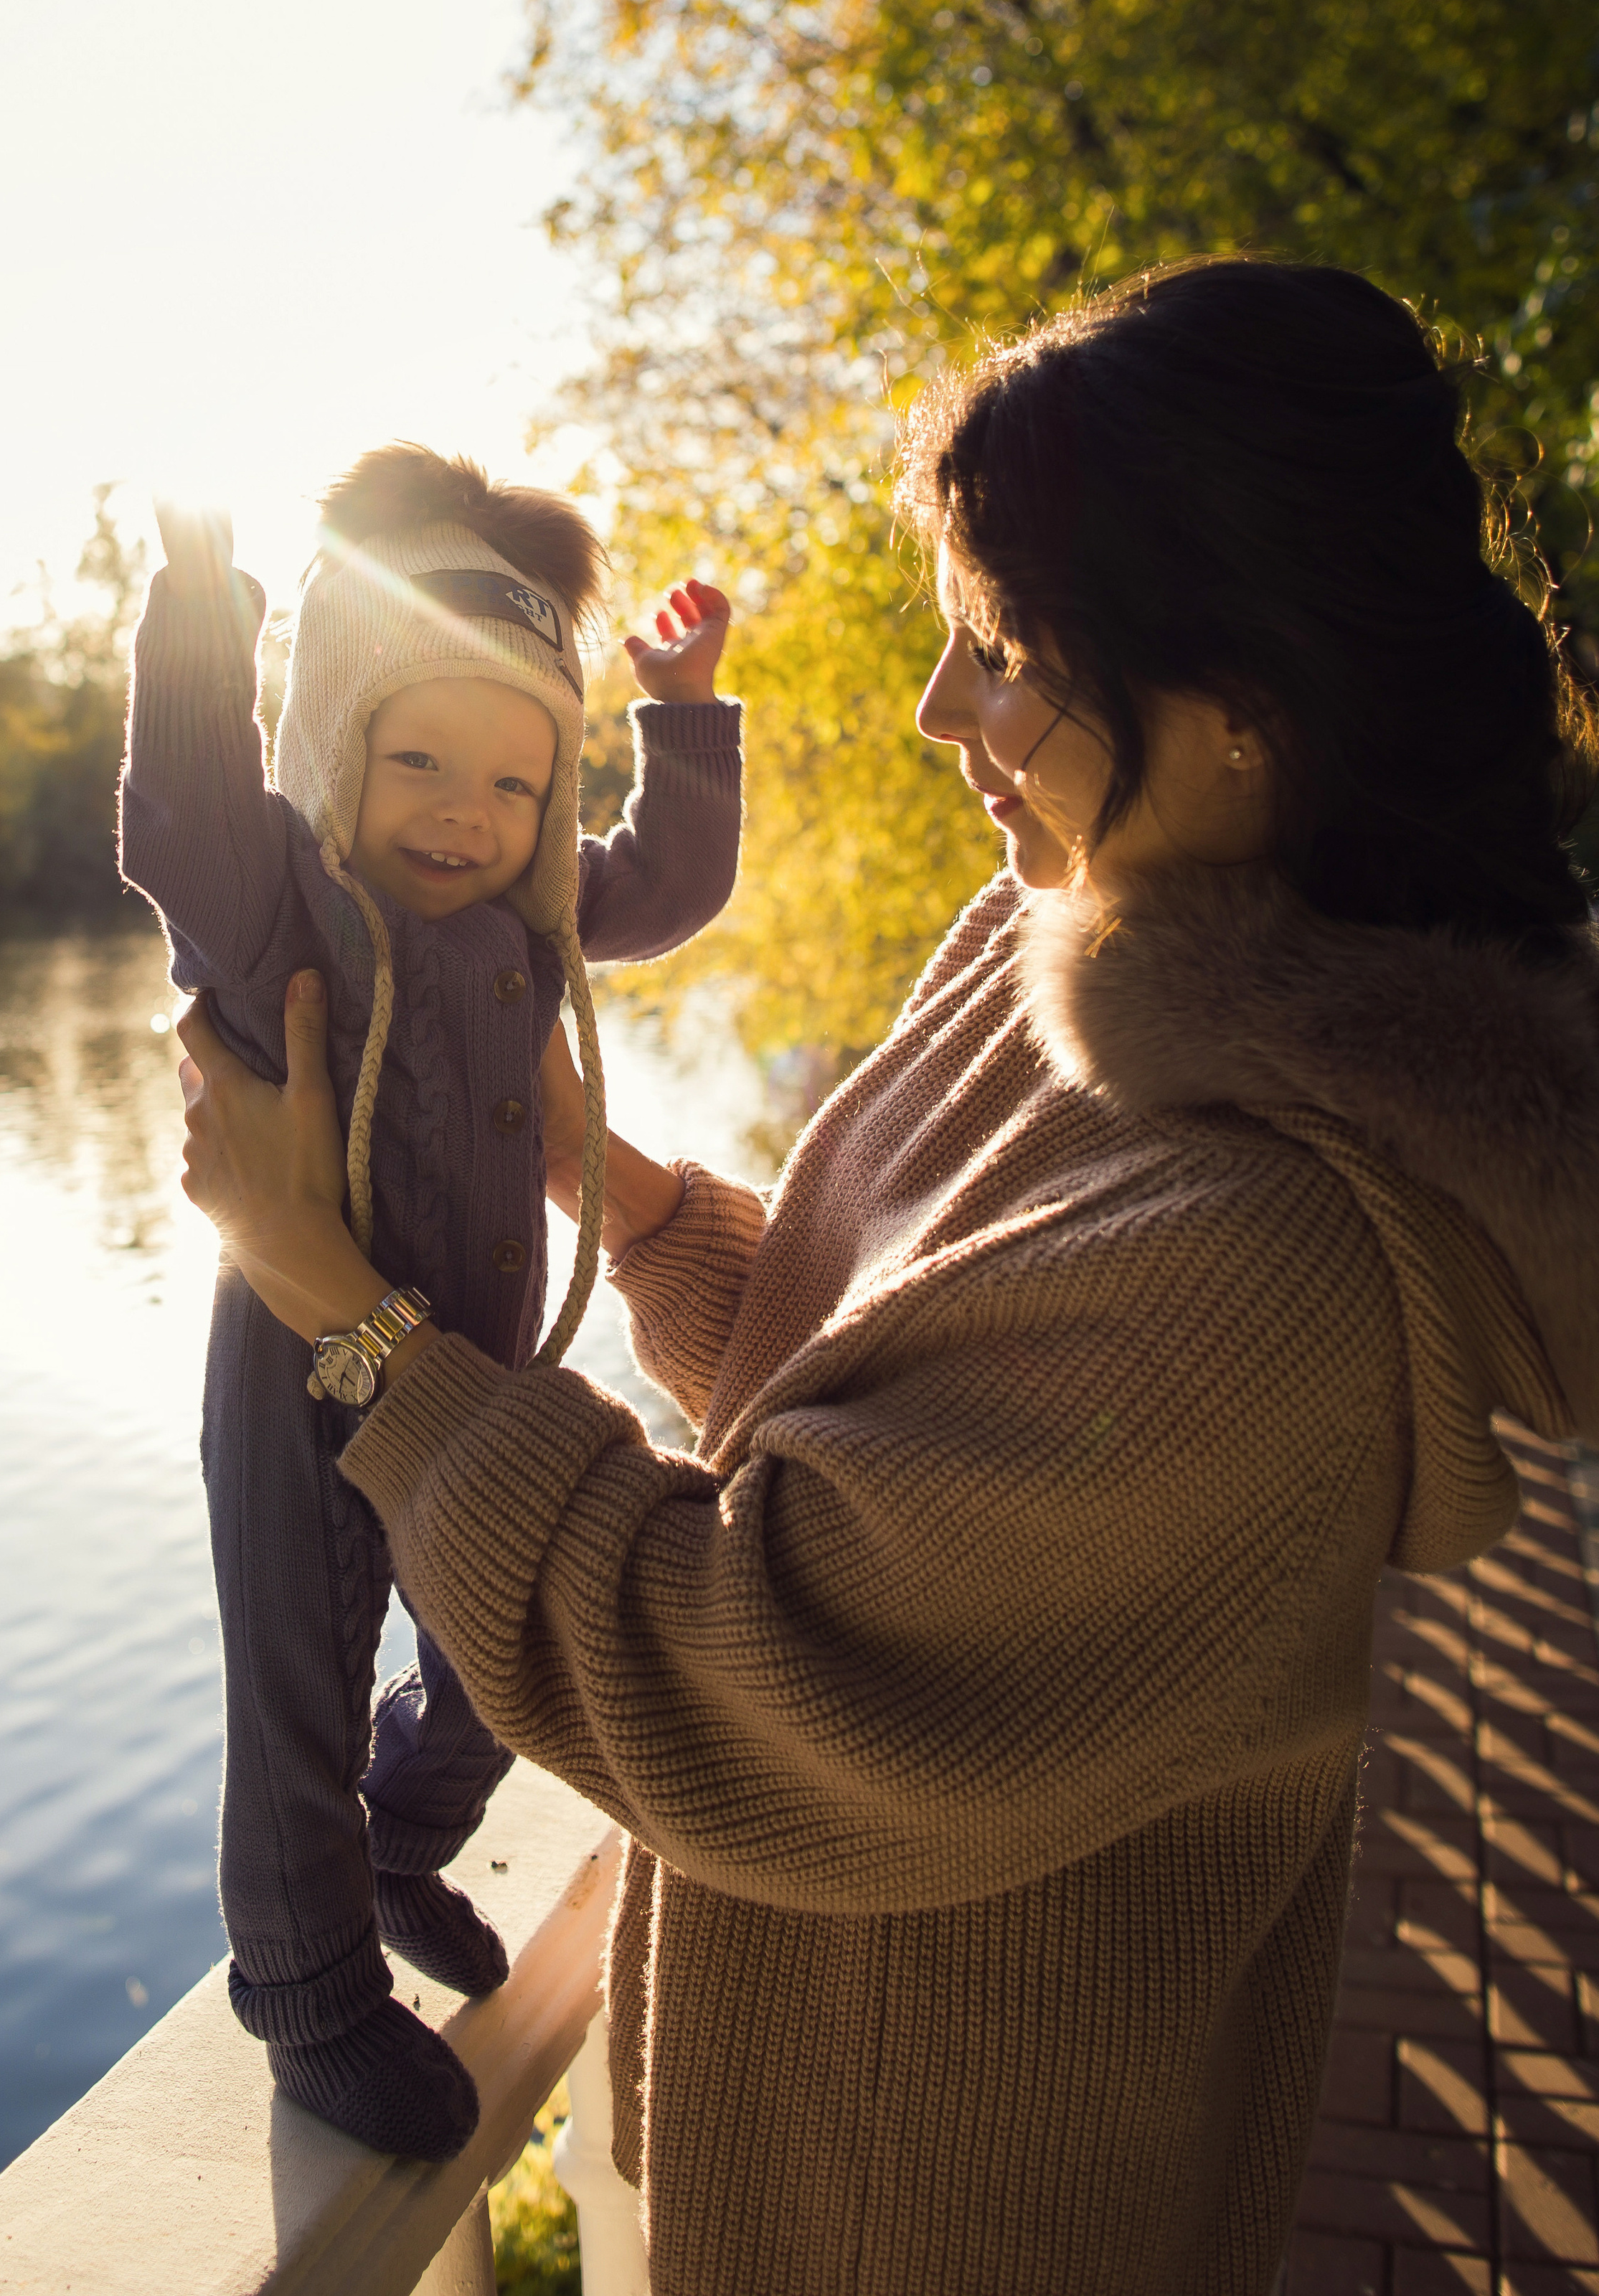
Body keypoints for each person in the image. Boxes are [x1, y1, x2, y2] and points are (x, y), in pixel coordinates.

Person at [170, 260, 1599, 2294]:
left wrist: (343, 1306)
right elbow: (880, 1379)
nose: (943, 716)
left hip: (937, 2185)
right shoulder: (1088, 929)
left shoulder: (1281, 1265)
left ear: (1244, 723)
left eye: (1004, 656)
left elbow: (754, 1679)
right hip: (779, 2079)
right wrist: (627, 1192)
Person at [120, 443, 741, 2160]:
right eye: (416, 762)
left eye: (513, 786)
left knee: (496, 1641)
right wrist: (197, 606)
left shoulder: (530, 919)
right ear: (336, 744)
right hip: (298, 1380)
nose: (466, 814)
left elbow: (673, 886)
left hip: (462, 1376)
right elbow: (179, 808)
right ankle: (309, 1992)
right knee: (298, 1683)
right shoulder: (282, 911)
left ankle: (407, 1838)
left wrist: (680, 715)